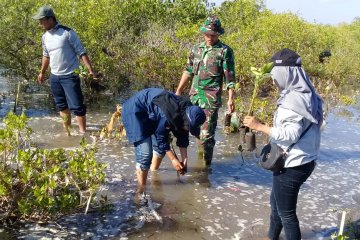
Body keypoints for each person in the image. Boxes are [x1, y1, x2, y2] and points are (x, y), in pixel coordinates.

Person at [243, 48, 323, 240]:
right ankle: (272, 237)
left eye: (275, 75)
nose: (272, 80)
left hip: (293, 164)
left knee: (286, 214)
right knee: (276, 205)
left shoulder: (293, 100)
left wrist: (259, 126)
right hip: (305, 160)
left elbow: (290, 134)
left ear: (285, 73)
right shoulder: (306, 93)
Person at [121, 88, 206, 197]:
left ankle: (153, 174)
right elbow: (162, 139)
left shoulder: (187, 110)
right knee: (145, 154)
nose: (188, 128)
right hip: (135, 111)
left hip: (152, 112)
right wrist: (174, 159)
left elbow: (183, 135)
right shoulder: (168, 113)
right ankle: (141, 190)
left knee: (160, 150)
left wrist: (185, 160)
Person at [175, 16, 236, 166]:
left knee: (207, 135)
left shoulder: (224, 51)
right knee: (193, 130)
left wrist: (231, 99)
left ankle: (205, 168)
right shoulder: (196, 49)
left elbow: (230, 78)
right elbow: (188, 71)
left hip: (211, 100)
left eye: (213, 35)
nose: (210, 38)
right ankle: (199, 164)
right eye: (207, 34)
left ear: (218, 35)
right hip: (194, 97)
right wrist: (177, 92)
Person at [32, 6, 99, 134]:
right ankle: (67, 133)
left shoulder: (67, 32)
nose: (40, 24)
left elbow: (81, 52)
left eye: (41, 20)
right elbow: (46, 55)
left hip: (70, 76)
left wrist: (91, 70)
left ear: (50, 19)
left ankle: (83, 134)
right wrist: (42, 72)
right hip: (55, 77)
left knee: (78, 107)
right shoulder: (45, 37)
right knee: (62, 106)